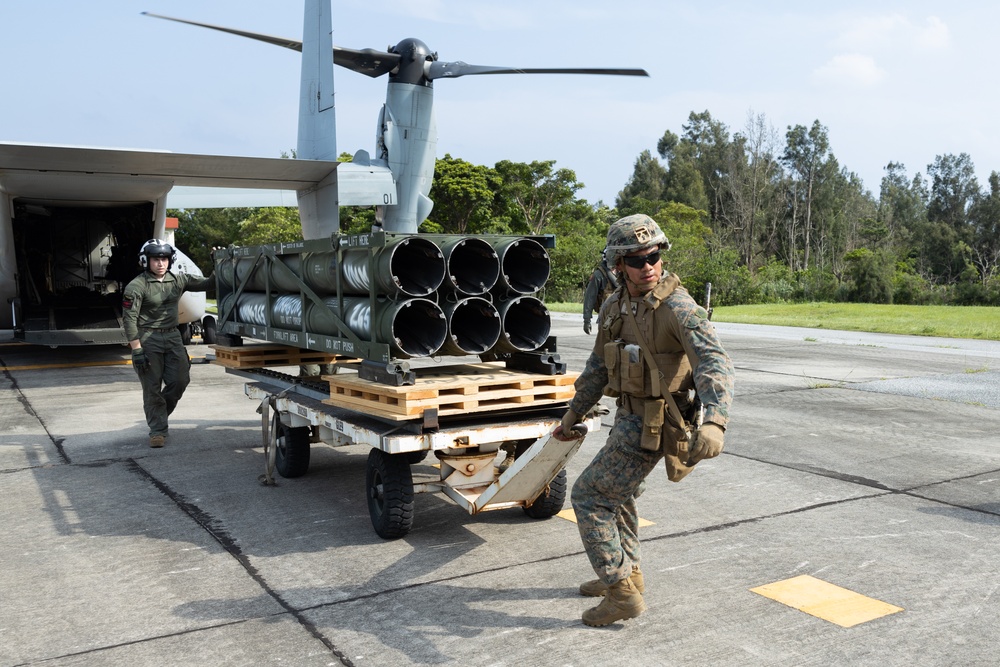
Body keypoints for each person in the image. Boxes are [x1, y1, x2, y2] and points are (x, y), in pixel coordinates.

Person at [553, 214, 735, 627]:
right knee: (620, 495)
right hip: (627, 417)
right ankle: (629, 574)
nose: (648, 265)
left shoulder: (678, 307)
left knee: (589, 497)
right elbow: (599, 365)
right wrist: (573, 413)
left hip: (654, 423)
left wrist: (715, 420)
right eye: (636, 259)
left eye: (654, 255)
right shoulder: (615, 305)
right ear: (618, 265)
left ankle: (620, 594)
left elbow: (713, 361)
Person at [122, 239, 214, 448]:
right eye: (156, 259)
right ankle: (158, 431)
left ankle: (159, 415)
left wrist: (218, 263)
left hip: (173, 337)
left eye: (164, 259)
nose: (160, 263)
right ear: (146, 261)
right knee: (152, 388)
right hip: (148, 339)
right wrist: (136, 349)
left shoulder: (178, 280)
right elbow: (129, 318)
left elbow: (209, 283)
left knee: (180, 380)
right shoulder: (136, 286)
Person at [581, 250, 618, 334]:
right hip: (607, 319)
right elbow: (590, 297)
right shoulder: (599, 275)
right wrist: (587, 320)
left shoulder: (625, 272)